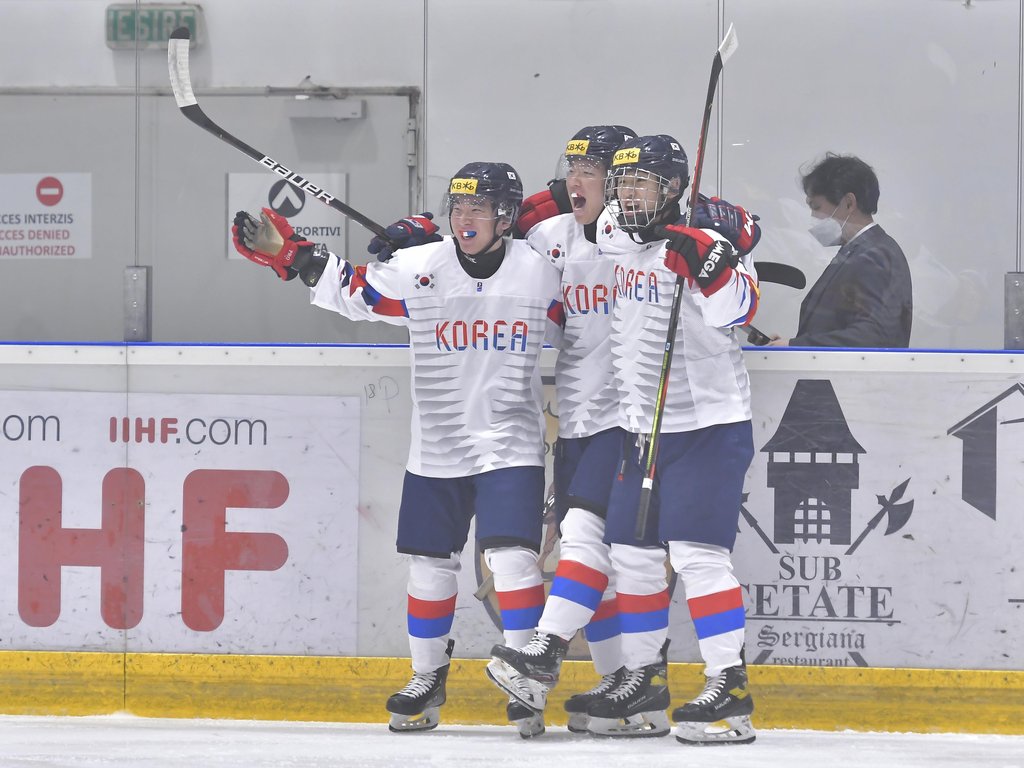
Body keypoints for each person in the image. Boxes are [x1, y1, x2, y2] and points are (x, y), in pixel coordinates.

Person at [231, 161, 563, 738]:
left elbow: (588, 319)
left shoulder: (539, 273)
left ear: (505, 218)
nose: (464, 219)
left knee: (511, 558)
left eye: (478, 209)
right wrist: (294, 256)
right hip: (436, 446)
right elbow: (356, 293)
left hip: (509, 442)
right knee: (430, 565)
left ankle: (524, 681)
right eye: (457, 208)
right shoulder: (420, 265)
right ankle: (427, 677)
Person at [586, 134, 758, 745]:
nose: (626, 197)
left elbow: (740, 309)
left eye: (640, 184)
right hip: (643, 430)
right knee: (630, 556)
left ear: (672, 188)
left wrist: (711, 266)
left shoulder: (709, 245)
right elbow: (599, 220)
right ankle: (645, 681)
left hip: (707, 428)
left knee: (696, 555)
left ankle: (729, 687)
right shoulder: (616, 232)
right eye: (621, 184)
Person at [765, 152, 912, 347]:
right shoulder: (859, 252)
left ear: (849, 203)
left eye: (816, 206)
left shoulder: (875, 255)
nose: (812, 216)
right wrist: (793, 343)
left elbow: (874, 336)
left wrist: (798, 346)